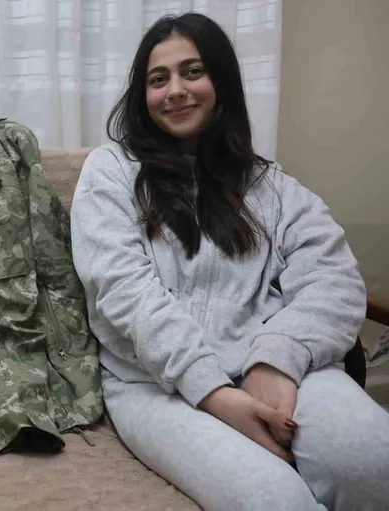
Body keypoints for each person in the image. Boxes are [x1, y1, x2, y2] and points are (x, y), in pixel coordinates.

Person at [70, 12, 389, 511]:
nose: (176, 90)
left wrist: (276, 359)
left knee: (374, 461)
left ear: (221, 81)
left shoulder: (271, 186)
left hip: (269, 362)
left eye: (192, 72)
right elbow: (124, 292)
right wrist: (213, 390)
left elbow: (334, 279)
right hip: (154, 383)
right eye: (158, 79)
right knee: (276, 501)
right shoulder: (110, 171)